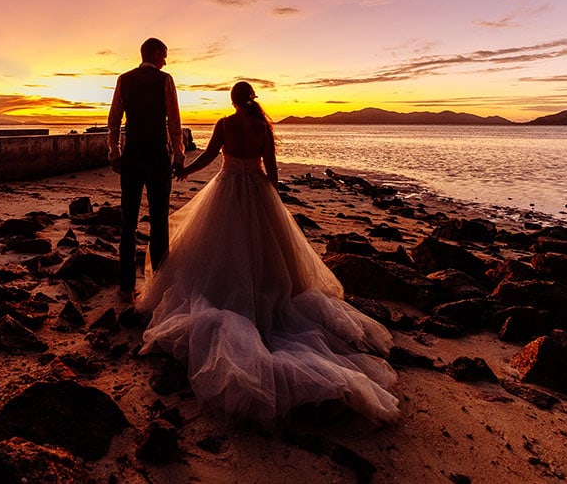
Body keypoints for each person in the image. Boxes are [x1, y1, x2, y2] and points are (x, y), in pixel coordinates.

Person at [136, 81, 398, 427]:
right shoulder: (262, 127)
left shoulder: (225, 124)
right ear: (252, 99)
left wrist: (186, 170)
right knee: (263, 254)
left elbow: (211, 156)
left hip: (227, 189)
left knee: (219, 252)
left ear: (232, 100)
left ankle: (227, 294)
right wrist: (272, 203)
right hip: (257, 191)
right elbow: (272, 172)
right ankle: (264, 298)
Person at [107, 37, 184, 302]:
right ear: (156, 53)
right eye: (164, 55)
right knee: (158, 219)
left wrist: (115, 152)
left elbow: (114, 119)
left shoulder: (124, 79)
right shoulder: (165, 80)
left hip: (132, 155)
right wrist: (179, 154)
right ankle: (159, 287)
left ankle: (126, 286)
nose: (166, 60)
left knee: (127, 221)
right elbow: (174, 120)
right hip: (156, 156)